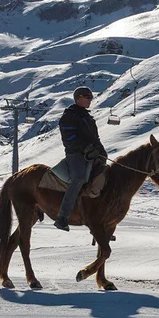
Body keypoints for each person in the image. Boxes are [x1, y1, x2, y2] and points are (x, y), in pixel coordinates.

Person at [53, 86, 107, 231]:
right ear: (78, 98)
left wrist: (102, 152)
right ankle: (62, 217)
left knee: (104, 178)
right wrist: (86, 149)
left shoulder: (88, 118)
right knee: (79, 179)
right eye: (87, 97)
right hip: (75, 155)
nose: (90, 99)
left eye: (91, 97)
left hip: (93, 154)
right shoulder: (69, 116)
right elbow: (69, 137)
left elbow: (96, 138)